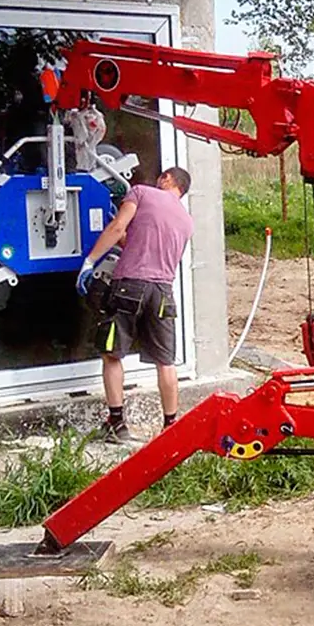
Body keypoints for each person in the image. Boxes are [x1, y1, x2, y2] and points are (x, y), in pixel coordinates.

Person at [77, 166, 194, 441]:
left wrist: (90, 261)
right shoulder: (187, 221)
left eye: (160, 177)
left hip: (129, 285)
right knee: (165, 361)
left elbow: (118, 227)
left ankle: (117, 425)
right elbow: (147, 246)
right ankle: (171, 428)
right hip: (163, 292)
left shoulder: (141, 192)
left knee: (112, 354)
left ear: (166, 179)